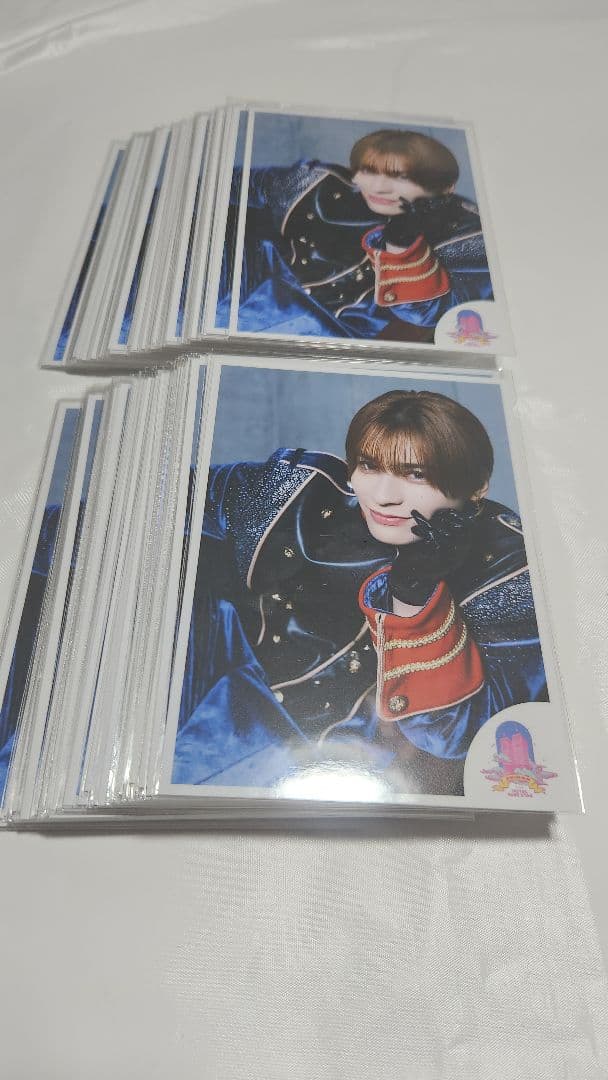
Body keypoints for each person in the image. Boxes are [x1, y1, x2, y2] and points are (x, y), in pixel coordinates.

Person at [174, 389, 547, 796]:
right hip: (216, 688)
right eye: (369, 466)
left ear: (476, 487)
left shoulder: (511, 571)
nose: (384, 496)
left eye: (415, 474)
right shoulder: (302, 493)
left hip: (356, 767)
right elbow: (159, 499)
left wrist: (414, 594)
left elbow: (455, 735)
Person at [217, 127, 493, 343]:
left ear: (445, 187)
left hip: (328, 328)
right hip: (252, 273)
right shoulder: (317, 183)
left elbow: (437, 314)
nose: (379, 187)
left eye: (402, 178)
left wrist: (402, 246)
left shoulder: (467, 235)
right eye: (369, 171)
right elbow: (229, 184)